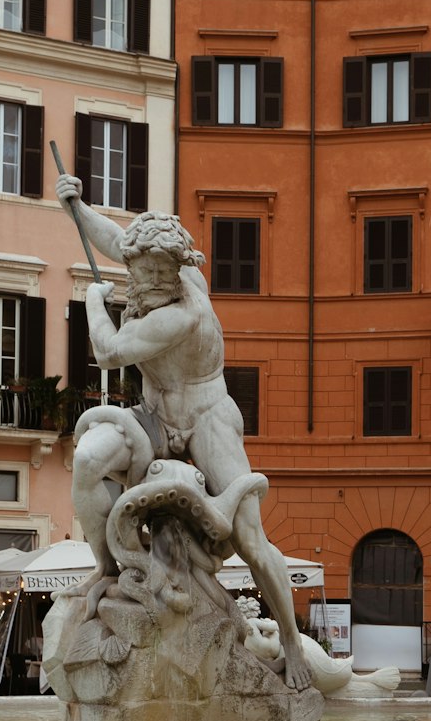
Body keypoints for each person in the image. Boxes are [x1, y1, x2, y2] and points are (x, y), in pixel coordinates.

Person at [56, 175, 311, 688]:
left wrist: (90, 303)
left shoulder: (182, 311)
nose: (141, 280)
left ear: (177, 271)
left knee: (251, 538)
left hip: (206, 416)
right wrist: (77, 208)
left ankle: (289, 641)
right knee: (87, 461)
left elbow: (108, 353)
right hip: (153, 414)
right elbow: (115, 241)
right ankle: (108, 566)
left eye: (153, 273)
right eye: (138, 269)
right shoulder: (148, 271)